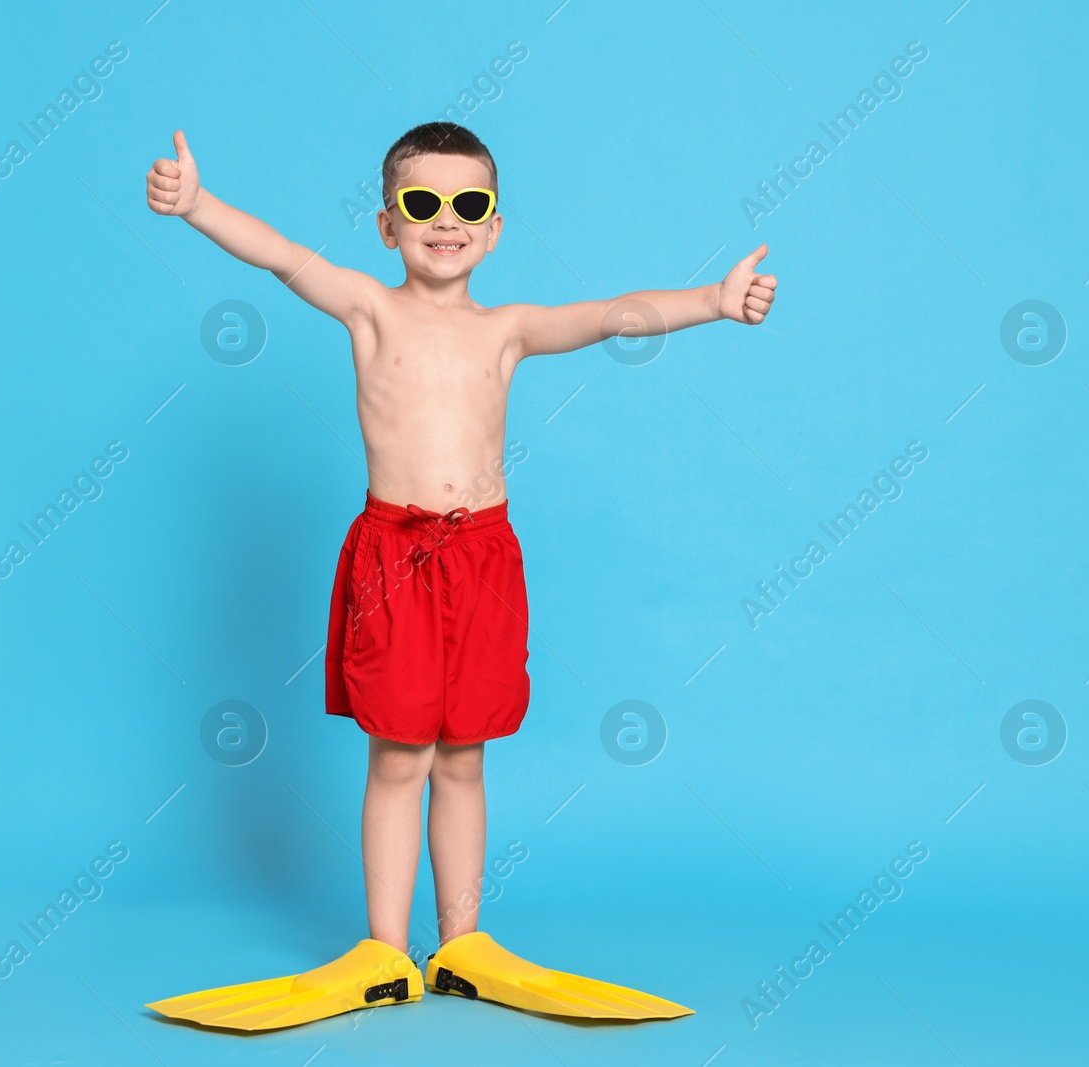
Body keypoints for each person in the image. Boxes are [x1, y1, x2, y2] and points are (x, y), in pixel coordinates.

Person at [143, 121, 777, 1030]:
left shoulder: (507, 330)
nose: (447, 220)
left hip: (482, 555)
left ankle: (463, 943)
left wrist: (713, 302)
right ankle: (383, 949)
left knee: (465, 754)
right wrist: (198, 204)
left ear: (495, 227)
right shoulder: (369, 307)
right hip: (394, 554)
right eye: (423, 203)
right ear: (387, 223)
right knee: (400, 752)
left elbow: (608, 317)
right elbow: (280, 256)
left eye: (468, 204)